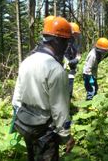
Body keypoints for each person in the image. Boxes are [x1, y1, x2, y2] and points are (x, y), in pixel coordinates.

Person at [12, 16, 75, 161]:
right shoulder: (56, 70)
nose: (67, 46)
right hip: (45, 131)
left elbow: (17, 98)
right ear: (57, 41)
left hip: (26, 124)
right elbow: (59, 109)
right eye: (66, 41)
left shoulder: (27, 61)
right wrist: (66, 136)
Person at [64, 22, 82, 98]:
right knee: (68, 89)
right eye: (75, 34)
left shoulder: (72, 42)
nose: (76, 36)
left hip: (71, 69)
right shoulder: (66, 43)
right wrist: (77, 59)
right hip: (67, 71)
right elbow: (66, 62)